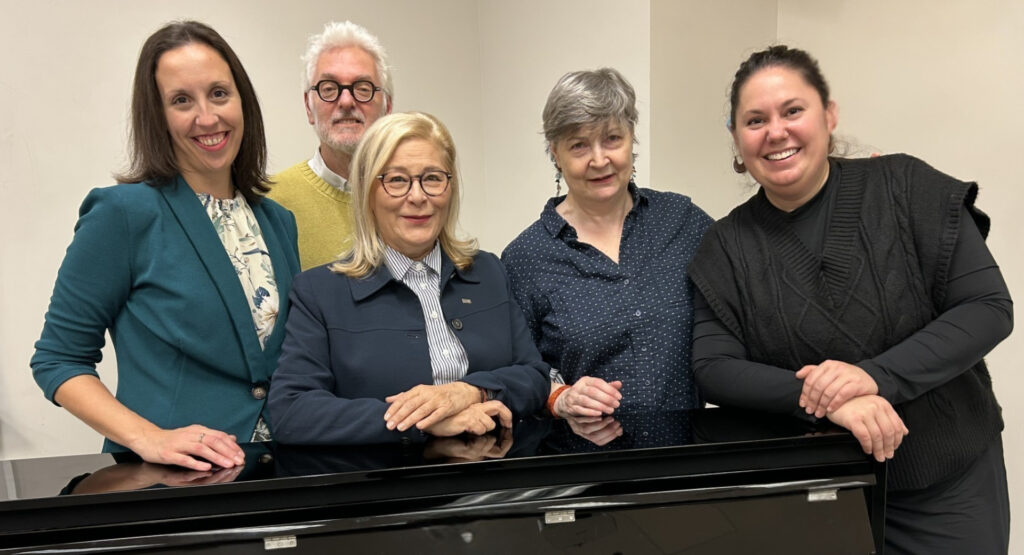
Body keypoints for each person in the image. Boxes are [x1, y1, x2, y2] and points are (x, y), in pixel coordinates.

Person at [689, 45, 1011, 554]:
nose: (776, 132)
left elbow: (987, 308)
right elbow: (713, 365)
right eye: (755, 120)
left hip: (948, 484)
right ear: (735, 137)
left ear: (829, 114)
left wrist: (872, 376)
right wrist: (825, 400)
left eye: (793, 111)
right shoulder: (724, 247)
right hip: (815, 495)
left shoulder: (905, 186)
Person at [31, 21, 301, 471]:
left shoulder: (278, 222)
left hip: (274, 477)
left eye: (219, 93)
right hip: (170, 484)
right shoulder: (124, 214)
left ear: (243, 101)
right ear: (156, 115)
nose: (208, 117)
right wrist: (150, 438)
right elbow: (58, 359)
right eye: (181, 101)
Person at [268, 112, 549, 444]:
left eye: (432, 178)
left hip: (494, 484)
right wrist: (421, 422)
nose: (417, 196)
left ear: (450, 188)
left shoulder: (487, 271)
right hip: (387, 487)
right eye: (397, 180)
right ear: (367, 192)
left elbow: (534, 377)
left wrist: (470, 392)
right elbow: (291, 412)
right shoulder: (319, 292)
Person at [502, 68, 713, 419]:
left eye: (612, 138)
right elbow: (517, 369)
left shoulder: (683, 221)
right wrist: (560, 397)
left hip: (684, 456)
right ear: (555, 153)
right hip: (582, 463)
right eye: (579, 145)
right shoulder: (526, 258)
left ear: (632, 138)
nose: (599, 160)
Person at [268, 21, 393, 270]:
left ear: (387, 106)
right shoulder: (270, 203)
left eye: (362, 88)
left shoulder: (414, 197)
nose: (346, 101)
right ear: (308, 106)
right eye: (329, 88)